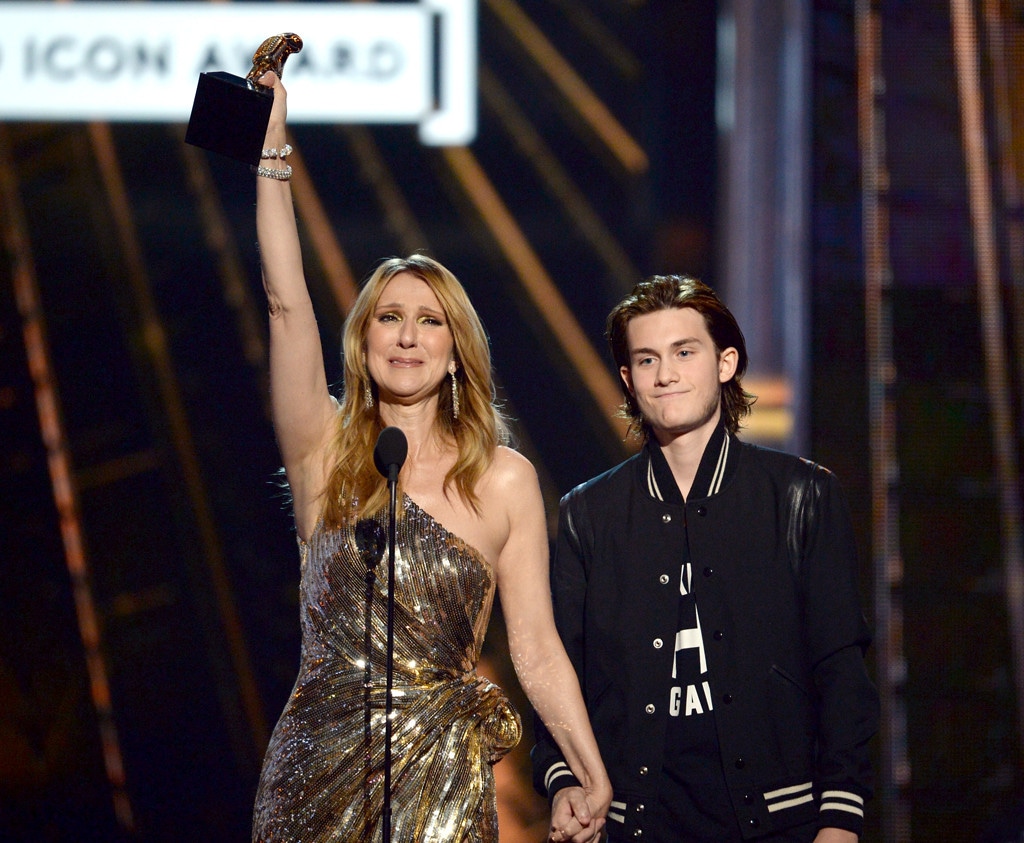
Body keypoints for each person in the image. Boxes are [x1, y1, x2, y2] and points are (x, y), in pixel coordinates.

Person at [249, 72, 611, 843]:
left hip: (441, 776)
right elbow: (285, 303)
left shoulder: (504, 479)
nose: (408, 336)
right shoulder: (324, 451)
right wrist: (271, 151)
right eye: (389, 318)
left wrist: (588, 768)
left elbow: (536, 646)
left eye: (429, 322)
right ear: (364, 339)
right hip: (313, 775)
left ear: (456, 353)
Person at [531, 275, 879, 843]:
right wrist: (565, 779)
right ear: (628, 380)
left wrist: (841, 819)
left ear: (725, 363)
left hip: (778, 823)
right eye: (646, 360)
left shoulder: (800, 495)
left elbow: (841, 671)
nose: (665, 374)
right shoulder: (586, 515)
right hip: (634, 826)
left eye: (684, 352)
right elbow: (557, 673)